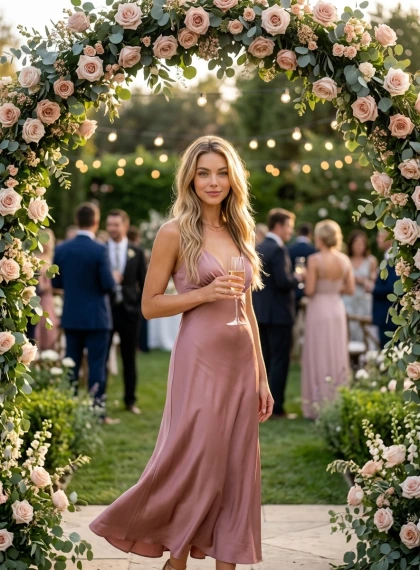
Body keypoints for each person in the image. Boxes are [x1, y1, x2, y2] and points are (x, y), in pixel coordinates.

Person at [90, 135, 273, 570]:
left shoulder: (238, 229)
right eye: (204, 172)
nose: (214, 182)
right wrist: (204, 293)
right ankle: (175, 558)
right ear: (190, 177)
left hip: (241, 364)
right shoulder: (173, 232)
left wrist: (262, 377)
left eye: (223, 172)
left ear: (234, 178)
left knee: (235, 469)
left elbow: (247, 308)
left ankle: (226, 561)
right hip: (199, 361)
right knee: (195, 462)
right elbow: (150, 306)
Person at [52, 203, 117, 423]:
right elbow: (108, 284)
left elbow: (57, 281)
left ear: (77, 220)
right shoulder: (100, 249)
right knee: (97, 366)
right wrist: (115, 279)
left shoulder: (62, 249)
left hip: (72, 315)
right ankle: (97, 413)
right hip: (97, 317)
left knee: (71, 365)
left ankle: (69, 410)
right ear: (96, 221)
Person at [301, 220, 355, 420]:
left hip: (319, 309)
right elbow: (350, 289)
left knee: (318, 353)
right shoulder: (344, 260)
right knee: (336, 352)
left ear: (320, 237)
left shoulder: (314, 260)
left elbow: (309, 290)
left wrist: (305, 277)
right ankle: (336, 401)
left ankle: (317, 405)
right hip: (336, 308)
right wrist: (334, 289)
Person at [252, 208, 303, 418]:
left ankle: (260, 406)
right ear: (279, 226)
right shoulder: (279, 249)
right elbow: (283, 282)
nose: (290, 232)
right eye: (289, 227)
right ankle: (277, 408)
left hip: (261, 314)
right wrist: (299, 278)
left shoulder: (260, 246)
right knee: (280, 361)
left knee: (264, 361)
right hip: (280, 315)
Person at [105, 209, 147, 414]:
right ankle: (100, 400)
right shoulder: (100, 249)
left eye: (115, 224)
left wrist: (138, 306)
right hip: (105, 311)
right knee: (102, 357)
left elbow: (145, 283)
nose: (111, 228)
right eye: (109, 224)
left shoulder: (136, 252)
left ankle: (130, 400)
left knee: (129, 358)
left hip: (130, 312)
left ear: (125, 225)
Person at [343, 230, 378, 342]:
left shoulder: (371, 260)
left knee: (365, 328)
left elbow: (373, 281)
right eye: (356, 243)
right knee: (349, 327)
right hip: (349, 298)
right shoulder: (345, 260)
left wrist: (363, 281)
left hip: (364, 299)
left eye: (361, 243)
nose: (359, 246)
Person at [372, 229, 398, 348]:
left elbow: (392, 287)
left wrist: (373, 288)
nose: (377, 239)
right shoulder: (387, 258)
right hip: (386, 316)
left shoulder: (393, 259)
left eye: (380, 236)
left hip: (389, 317)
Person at [35, 229, 60, 351]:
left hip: (53, 298)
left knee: (54, 327)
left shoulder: (55, 259)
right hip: (42, 298)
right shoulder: (36, 259)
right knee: (43, 325)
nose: (48, 244)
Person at [288, 222, 316, 310]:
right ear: (310, 234)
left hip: (292, 290)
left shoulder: (289, 249)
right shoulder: (314, 250)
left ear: (298, 233)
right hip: (310, 290)